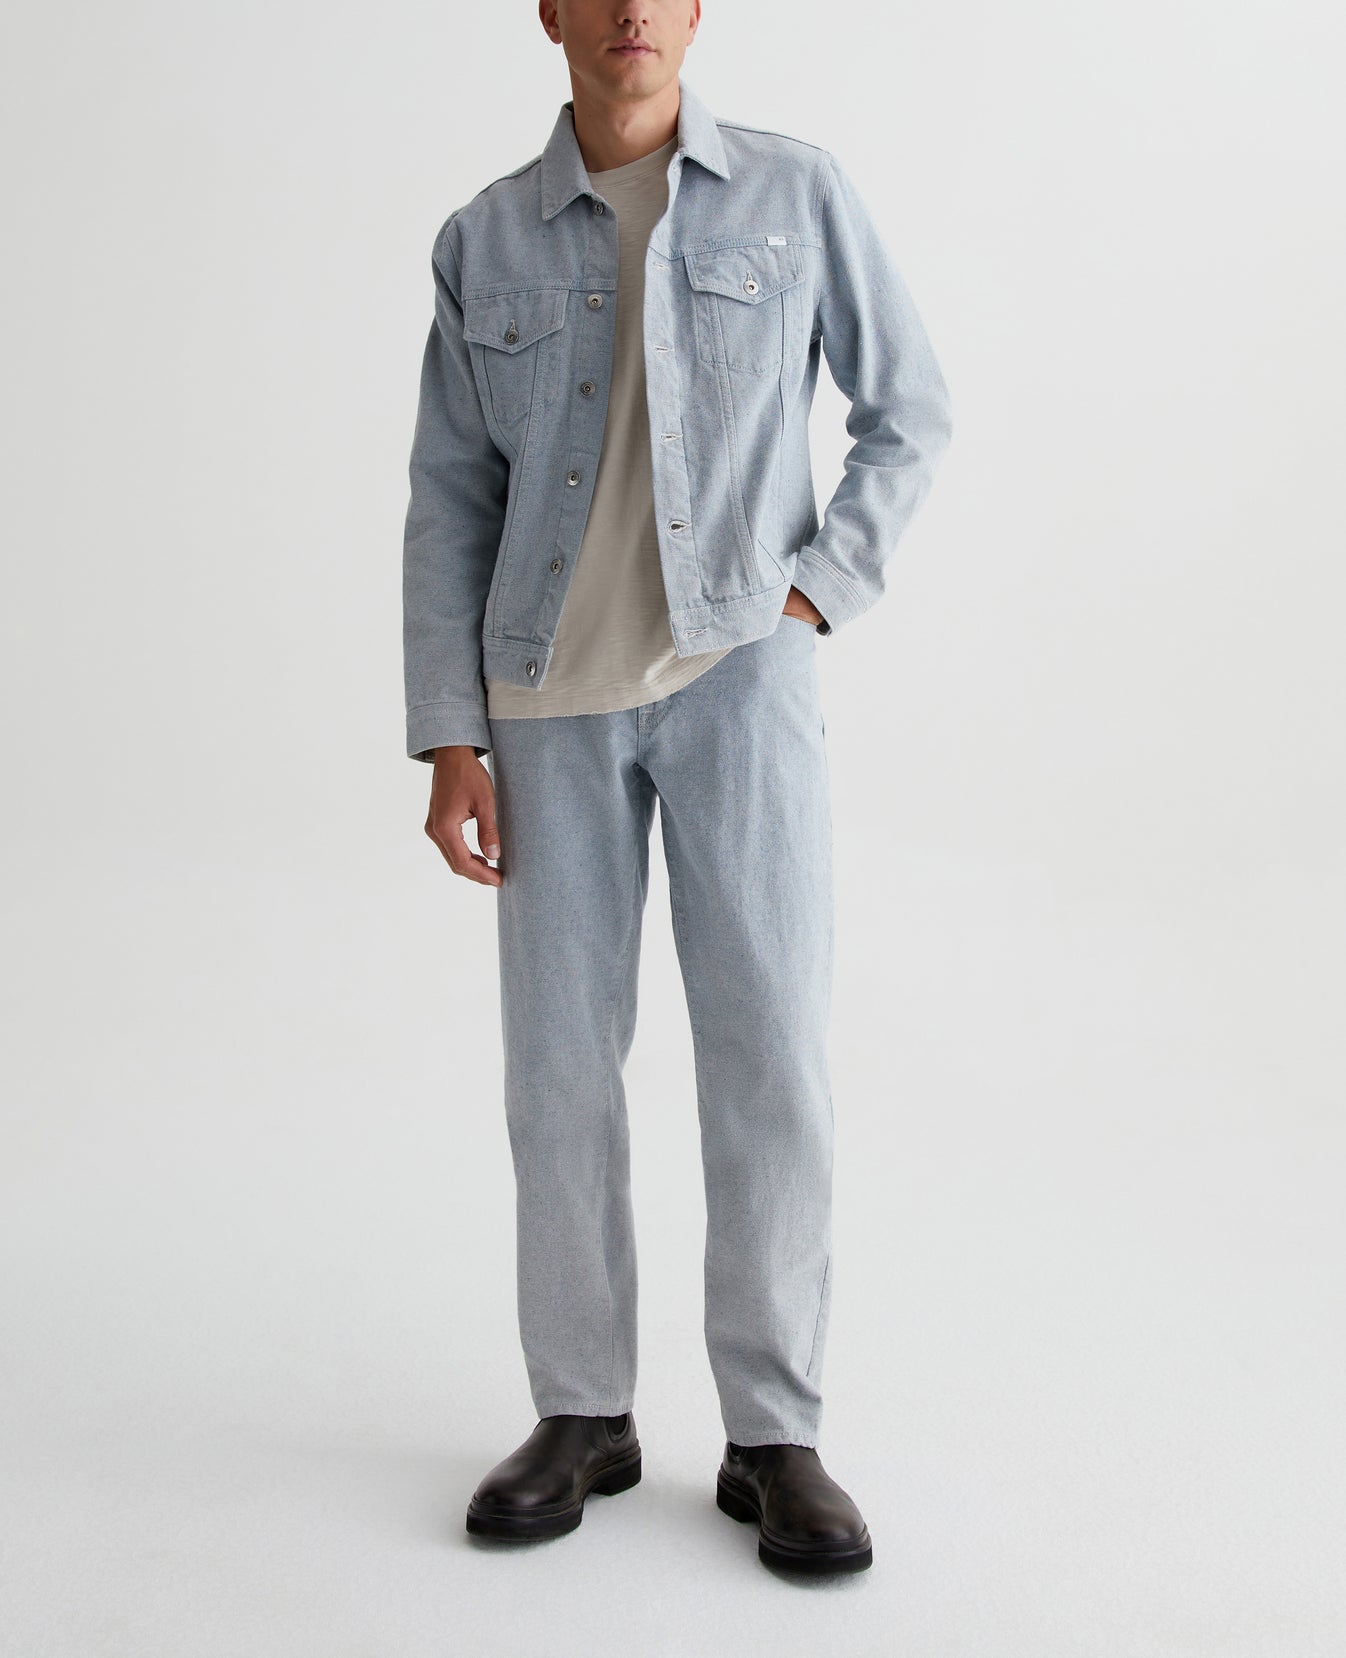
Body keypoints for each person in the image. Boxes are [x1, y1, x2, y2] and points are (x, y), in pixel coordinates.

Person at [402, 0, 952, 1576]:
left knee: (769, 1052)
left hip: (739, 685)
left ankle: (773, 1431)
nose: (631, 10)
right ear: (552, 13)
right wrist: (450, 732)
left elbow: (908, 411)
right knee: (558, 1072)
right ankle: (582, 1410)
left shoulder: (794, 191)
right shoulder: (483, 237)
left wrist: (814, 592)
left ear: (697, 8)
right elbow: (448, 493)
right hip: (541, 703)